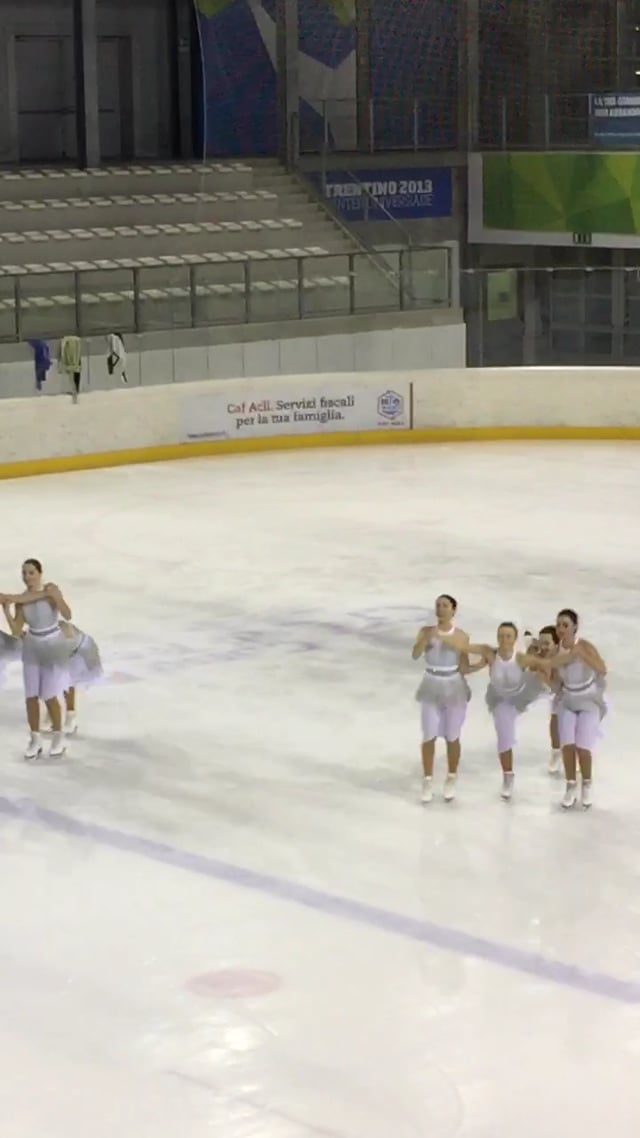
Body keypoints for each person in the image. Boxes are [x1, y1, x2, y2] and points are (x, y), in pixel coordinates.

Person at [0, 559, 101, 759]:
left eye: (31, 572)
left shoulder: (50, 590)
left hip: (54, 646)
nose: (27, 577)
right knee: (31, 697)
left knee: (49, 695)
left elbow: (67, 614)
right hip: (32, 648)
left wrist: (57, 598)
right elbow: (16, 631)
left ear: (40, 573)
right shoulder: (21, 602)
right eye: (24, 573)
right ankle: (35, 738)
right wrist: (6, 609)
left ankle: (58, 736)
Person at [464, 622, 545, 800]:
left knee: (535, 664)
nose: (504, 639)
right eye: (500, 636)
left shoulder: (520, 658)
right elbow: (465, 646)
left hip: (523, 692)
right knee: (504, 736)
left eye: (508, 636)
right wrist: (446, 636)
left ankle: (531, 645)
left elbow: (548, 663)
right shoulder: (490, 654)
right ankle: (508, 775)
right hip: (501, 699)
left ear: (514, 639)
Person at [540, 608, 607, 810]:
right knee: (567, 746)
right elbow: (556, 686)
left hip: (589, 701)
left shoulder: (585, 646)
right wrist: (543, 676)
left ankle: (586, 784)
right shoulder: (555, 653)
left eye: (565, 625)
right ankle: (570, 785)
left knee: (583, 748)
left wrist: (582, 655)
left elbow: (602, 669)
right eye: (558, 625)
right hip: (567, 701)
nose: (561, 629)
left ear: (575, 627)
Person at [412, 594, 473, 803]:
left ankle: (451, 777)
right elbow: (415, 655)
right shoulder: (426, 631)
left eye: (445, 605)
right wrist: (427, 638)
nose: (440, 609)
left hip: (453, 685)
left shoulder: (461, 636)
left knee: (452, 735)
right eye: (438, 605)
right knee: (428, 734)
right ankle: (427, 779)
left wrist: (482, 664)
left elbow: (464, 666)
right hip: (431, 683)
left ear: (453, 610)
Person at [527, 625, 562, 773]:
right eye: (541, 644)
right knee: (555, 721)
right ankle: (556, 753)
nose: (543, 647)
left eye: (547, 643)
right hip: (553, 693)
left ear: (557, 644)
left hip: (569, 693)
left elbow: (556, 686)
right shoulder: (541, 655)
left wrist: (543, 676)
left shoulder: (561, 660)